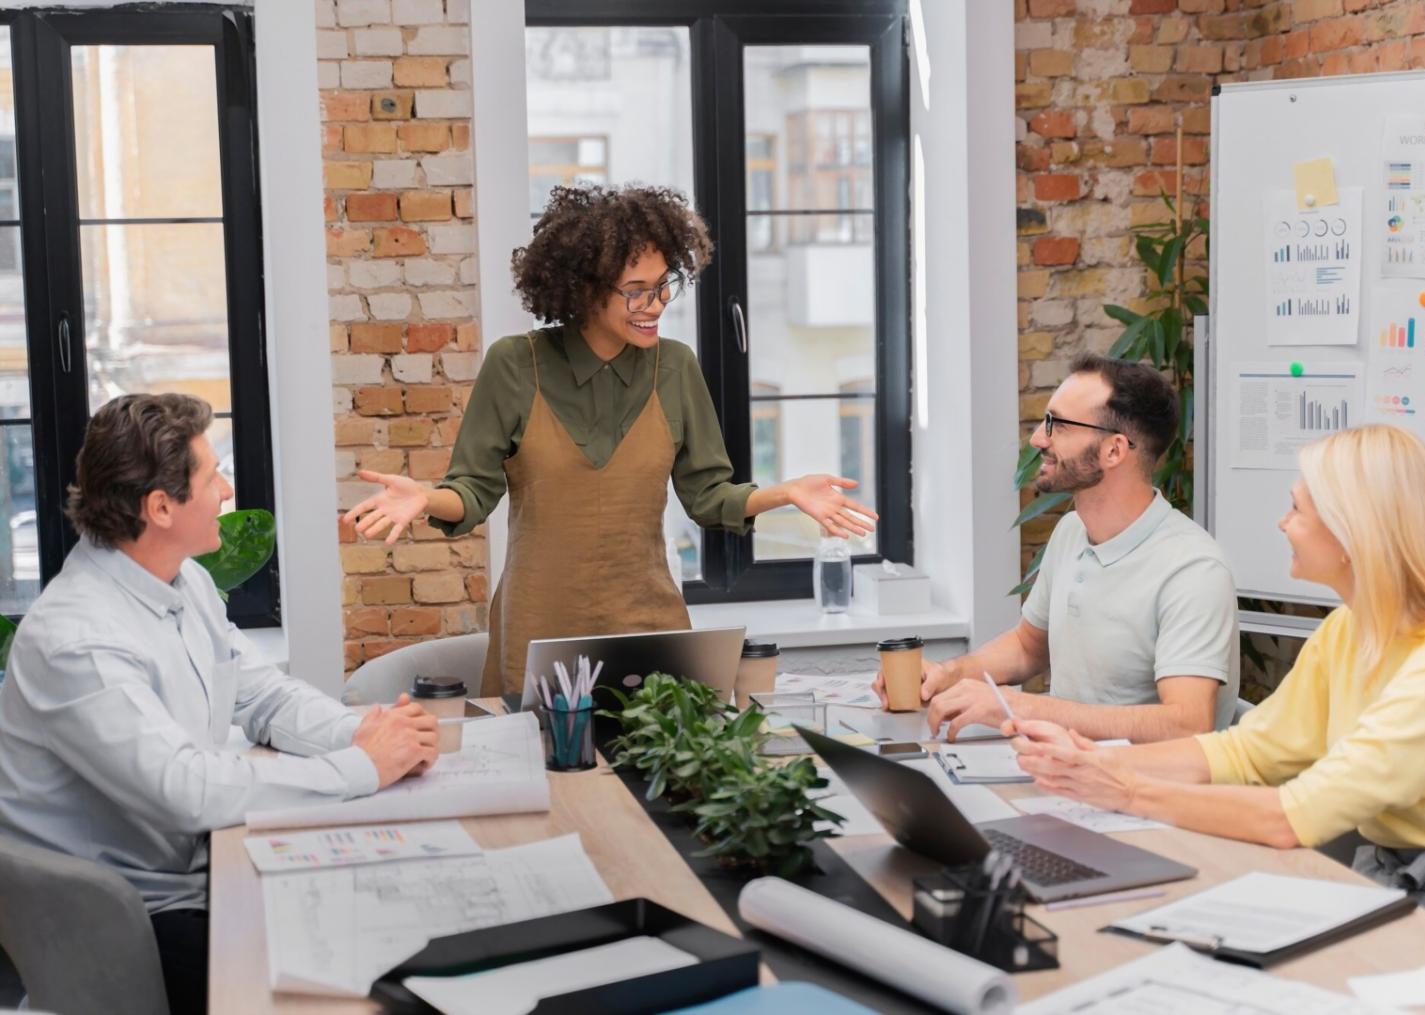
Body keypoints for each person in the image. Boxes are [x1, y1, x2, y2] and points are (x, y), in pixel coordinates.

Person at [0, 394, 440, 1015]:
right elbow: (188, 791)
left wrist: (368, 732)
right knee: (361, 982)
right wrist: (363, 766)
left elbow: (259, 693)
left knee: (392, 916)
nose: (229, 490)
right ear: (159, 507)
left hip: (203, 867)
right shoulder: (77, 639)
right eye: (211, 477)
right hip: (134, 917)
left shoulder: (183, 580)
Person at [345, 184, 877, 696]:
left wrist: (786, 493)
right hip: (538, 629)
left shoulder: (675, 368)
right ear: (585, 288)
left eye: (664, 284)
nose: (656, 304)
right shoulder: (515, 365)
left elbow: (710, 497)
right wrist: (423, 497)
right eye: (636, 291)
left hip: (649, 627)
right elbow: (472, 491)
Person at [1012, 424, 1425, 946]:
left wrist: (1124, 789)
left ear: (1353, 533)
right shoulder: (1350, 629)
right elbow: (1253, 752)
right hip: (1391, 876)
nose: (1282, 523)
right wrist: (1091, 762)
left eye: (1298, 510)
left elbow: (1294, 817)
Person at [886, 352, 1239, 742]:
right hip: (1067, 773)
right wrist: (948, 674)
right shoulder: (1073, 531)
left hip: (1141, 792)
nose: (1038, 438)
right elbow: (1027, 647)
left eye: (1057, 424)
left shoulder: (1193, 570)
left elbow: (1187, 724)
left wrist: (1020, 706)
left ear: (1114, 451)